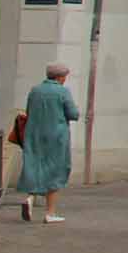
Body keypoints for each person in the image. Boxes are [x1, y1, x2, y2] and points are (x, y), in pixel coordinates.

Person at [15, 62, 82, 223]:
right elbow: (73, 114)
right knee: (55, 171)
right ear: (59, 77)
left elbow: (29, 111)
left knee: (35, 166)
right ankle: (50, 213)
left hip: (34, 135)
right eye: (64, 76)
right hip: (56, 136)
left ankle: (30, 198)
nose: (65, 79)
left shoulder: (35, 90)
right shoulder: (62, 92)